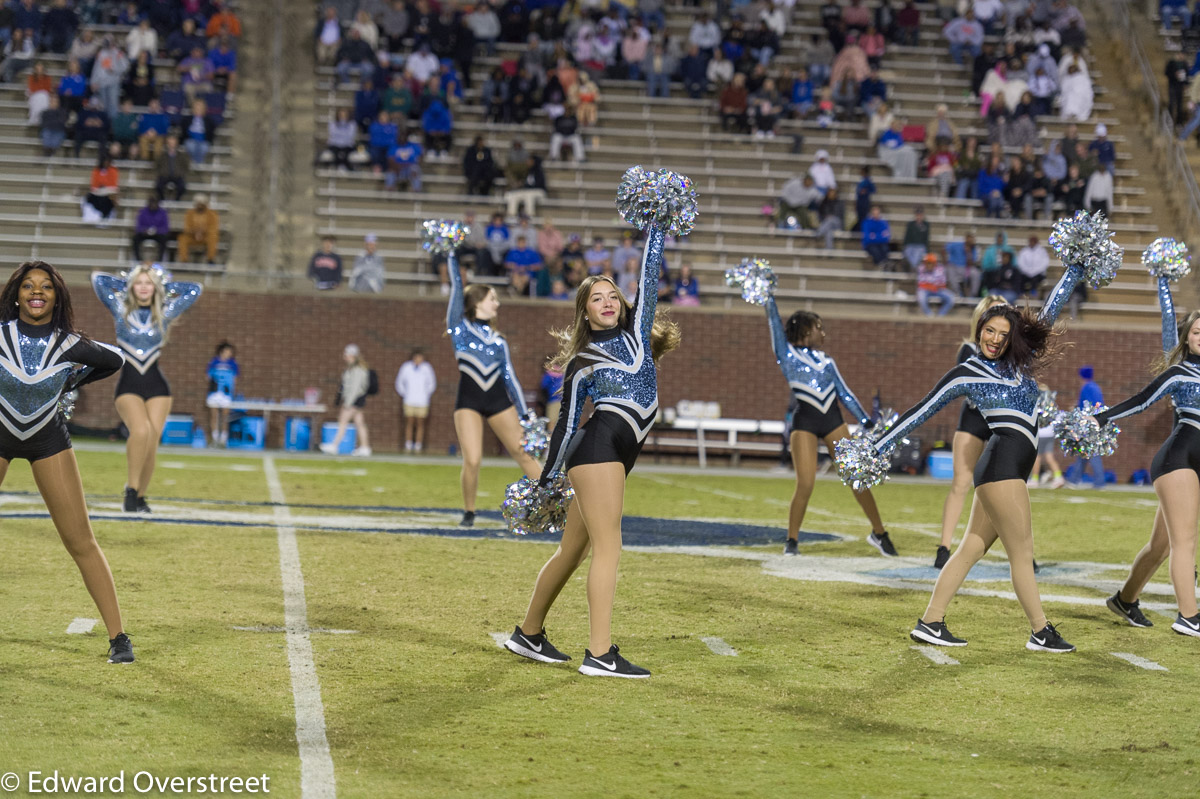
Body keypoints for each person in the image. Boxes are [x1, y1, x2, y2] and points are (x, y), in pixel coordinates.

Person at [870, 261, 1094, 652]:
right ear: (978, 331)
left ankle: (931, 621)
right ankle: (1041, 631)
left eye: (1002, 334)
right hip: (1002, 467)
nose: (994, 338)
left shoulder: (1019, 366)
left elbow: (1049, 313)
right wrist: (877, 445)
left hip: (1005, 468)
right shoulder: (967, 371)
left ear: (1011, 340)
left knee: (972, 546)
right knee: (1022, 553)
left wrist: (1074, 270)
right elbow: (921, 410)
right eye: (988, 330)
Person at [503, 207, 683, 679]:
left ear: (623, 305)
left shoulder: (640, 336)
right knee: (609, 548)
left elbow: (649, 268)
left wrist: (658, 222)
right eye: (595, 298)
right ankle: (600, 654)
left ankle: (528, 633)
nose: (606, 302)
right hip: (597, 449)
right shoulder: (583, 360)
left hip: (613, 455)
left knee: (573, 551)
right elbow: (566, 424)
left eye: (611, 296)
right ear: (584, 311)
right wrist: (545, 478)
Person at [0, 261, 132, 663]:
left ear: (57, 296)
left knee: (80, 541)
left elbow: (116, 359)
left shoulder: (68, 343)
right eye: (28, 286)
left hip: (48, 441)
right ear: (17, 294)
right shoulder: (1, 336)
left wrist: (71, 379)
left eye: (45, 287)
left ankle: (119, 638)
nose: (36, 292)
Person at [755, 293, 896, 556]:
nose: (824, 333)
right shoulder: (787, 355)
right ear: (805, 330)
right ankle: (792, 541)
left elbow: (844, 393)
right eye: (819, 327)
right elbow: (774, 323)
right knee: (805, 483)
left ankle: (880, 533)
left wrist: (866, 420)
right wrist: (768, 297)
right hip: (805, 421)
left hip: (833, 420)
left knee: (857, 478)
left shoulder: (827, 361)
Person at [1093, 306, 1200, 636]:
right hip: (1177, 461)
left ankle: (1125, 600)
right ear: (1187, 339)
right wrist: (1101, 418)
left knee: (1161, 546)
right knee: (1185, 543)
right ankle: (1189, 616)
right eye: (1198, 332)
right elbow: (1141, 401)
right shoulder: (1178, 373)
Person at [444, 241, 541, 528]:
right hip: (469, 401)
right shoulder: (459, 330)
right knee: (472, 459)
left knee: (523, 453)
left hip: (498, 400)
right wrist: (452, 254)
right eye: (492, 299)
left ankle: (551, 505)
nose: (497, 304)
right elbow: (455, 290)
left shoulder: (499, 341)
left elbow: (510, 378)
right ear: (476, 302)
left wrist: (525, 416)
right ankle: (469, 511)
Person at [92, 265, 202, 514]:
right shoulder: (121, 309)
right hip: (128, 385)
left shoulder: (164, 311)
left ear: (156, 287)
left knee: (151, 442)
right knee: (140, 431)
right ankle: (131, 489)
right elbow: (98, 280)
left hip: (158, 387)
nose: (143, 287)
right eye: (139, 283)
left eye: (148, 283)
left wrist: (163, 287)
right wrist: (128, 284)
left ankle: (141, 497)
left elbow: (196, 290)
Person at [933, 295, 1009, 569]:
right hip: (974, 419)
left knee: (1002, 490)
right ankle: (943, 548)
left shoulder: (1014, 352)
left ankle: (1019, 549)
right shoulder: (968, 348)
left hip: (1000, 423)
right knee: (961, 483)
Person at [319, 344, 374, 457]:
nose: (345, 356)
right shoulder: (352, 368)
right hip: (355, 399)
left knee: (343, 421)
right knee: (360, 423)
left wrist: (348, 403)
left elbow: (355, 388)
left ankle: (334, 445)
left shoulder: (358, 370)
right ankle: (365, 447)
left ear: (352, 355)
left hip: (354, 400)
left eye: (347, 354)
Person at [396, 350, 436, 453]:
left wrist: (425, 394)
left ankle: (418, 445)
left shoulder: (427, 368)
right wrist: (405, 394)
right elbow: (399, 382)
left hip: (422, 401)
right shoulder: (406, 367)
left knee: (420, 423)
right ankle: (408, 444)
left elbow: (432, 384)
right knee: (409, 422)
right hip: (409, 400)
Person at [1028, 384, 1065, 489]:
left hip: (1040, 434)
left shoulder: (1037, 404)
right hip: (1050, 433)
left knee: (1037, 457)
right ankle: (1059, 477)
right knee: (1049, 456)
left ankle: (1034, 479)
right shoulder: (1051, 404)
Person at [1074, 366, 1105, 487]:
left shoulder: (1086, 388)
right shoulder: (1095, 387)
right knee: (1084, 452)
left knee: (1091, 453)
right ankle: (1074, 479)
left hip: (1088, 424)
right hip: (1096, 423)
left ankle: (1100, 481)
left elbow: (1087, 407)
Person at [205, 341, 238, 446]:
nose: (229, 353)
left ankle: (223, 439)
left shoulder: (233, 364)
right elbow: (208, 376)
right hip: (214, 392)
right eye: (228, 351)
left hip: (226, 393)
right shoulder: (214, 362)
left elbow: (235, 378)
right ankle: (214, 438)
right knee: (214, 415)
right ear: (222, 351)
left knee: (225, 416)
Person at [178, 194, 219, 264]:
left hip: (205, 236)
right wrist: (195, 232)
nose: (200, 206)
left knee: (213, 237)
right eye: (198, 204)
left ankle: (210, 259)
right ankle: (184, 260)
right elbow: (187, 227)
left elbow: (213, 228)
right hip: (192, 236)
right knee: (182, 238)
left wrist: (202, 232)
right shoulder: (189, 213)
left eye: (202, 204)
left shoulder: (212, 214)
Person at [132, 196, 169, 262]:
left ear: (158, 204)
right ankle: (138, 260)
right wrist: (144, 230)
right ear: (149, 203)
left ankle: (159, 260)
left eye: (155, 203)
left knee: (164, 239)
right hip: (144, 234)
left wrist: (156, 230)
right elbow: (138, 226)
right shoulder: (142, 212)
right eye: (152, 203)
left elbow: (165, 228)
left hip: (157, 234)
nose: (153, 205)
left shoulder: (163, 213)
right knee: (135, 238)